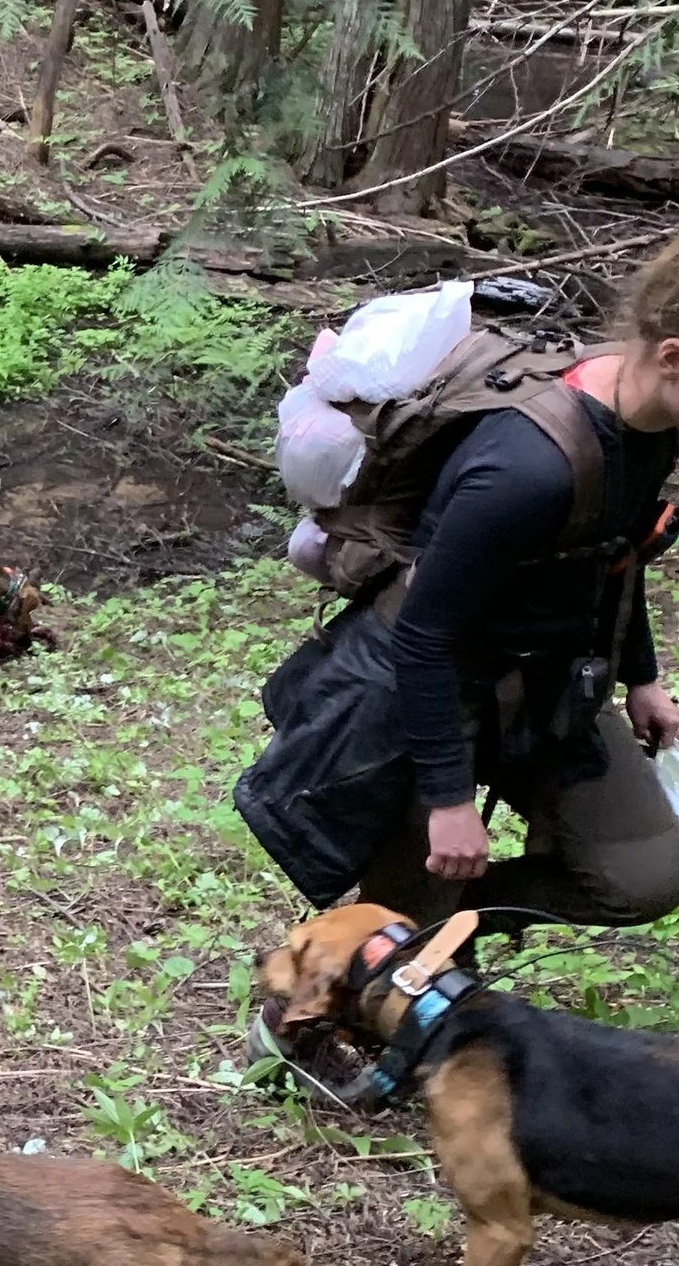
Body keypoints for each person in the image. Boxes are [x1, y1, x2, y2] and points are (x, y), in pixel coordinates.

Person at [238, 240, 679, 929]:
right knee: (402, 930)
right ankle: (392, 938)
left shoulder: (653, 422)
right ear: (672, 356)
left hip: (545, 684)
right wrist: (449, 800)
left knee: (647, 874)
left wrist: (642, 677)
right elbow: (420, 633)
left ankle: (445, 922)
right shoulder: (528, 467)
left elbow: (613, 551)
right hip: (426, 691)